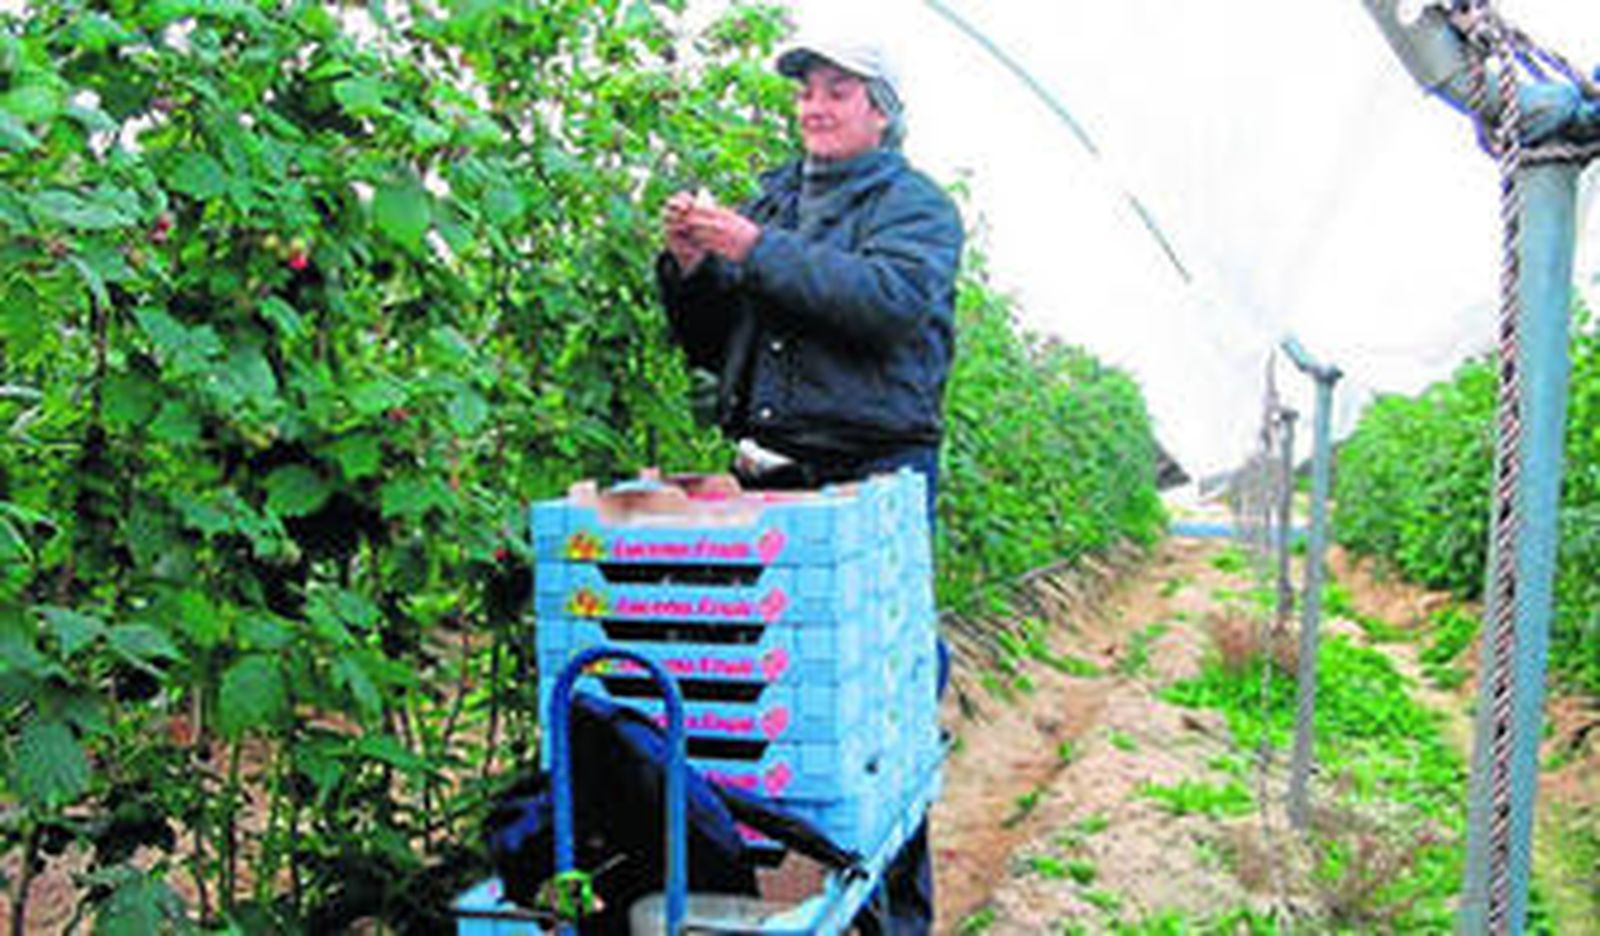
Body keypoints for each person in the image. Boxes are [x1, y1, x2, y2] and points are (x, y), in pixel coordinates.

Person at [656, 36, 961, 936]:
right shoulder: (773, 197)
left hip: (872, 476)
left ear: (882, 110)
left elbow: (885, 303)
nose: (816, 106)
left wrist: (754, 247)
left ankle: (894, 917)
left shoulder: (918, 208)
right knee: (770, 695)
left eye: (840, 91)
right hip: (771, 473)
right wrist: (691, 268)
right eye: (807, 92)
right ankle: (779, 894)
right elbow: (715, 342)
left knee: (879, 702)